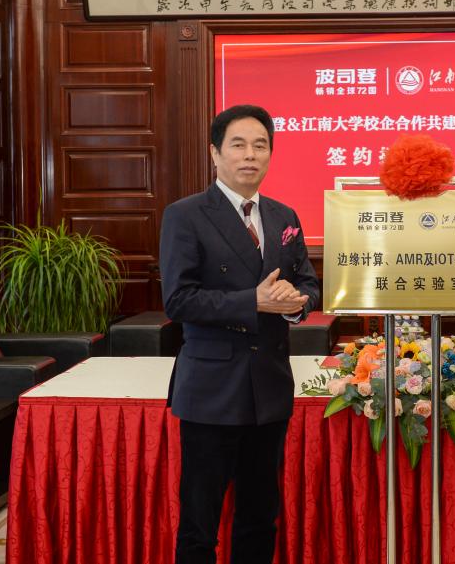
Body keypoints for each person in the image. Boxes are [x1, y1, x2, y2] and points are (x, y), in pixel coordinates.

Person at [160, 104, 320, 564]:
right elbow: (179, 300)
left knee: (259, 518)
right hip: (212, 389)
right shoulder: (186, 215)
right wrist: (253, 301)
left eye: (260, 145)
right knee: (200, 524)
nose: (250, 155)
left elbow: (308, 283)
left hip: (268, 386)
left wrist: (296, 302)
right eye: (238, 145)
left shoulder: (284, 215)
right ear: (215, 153)